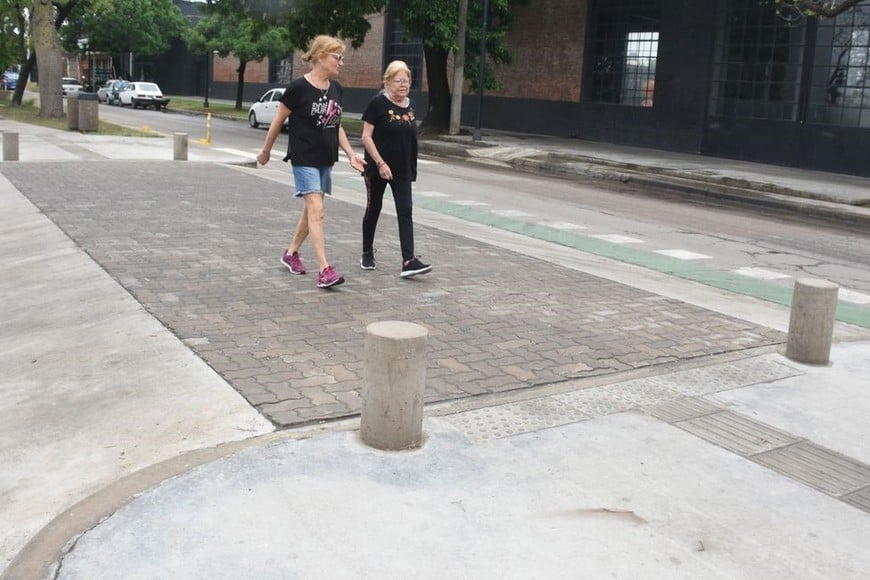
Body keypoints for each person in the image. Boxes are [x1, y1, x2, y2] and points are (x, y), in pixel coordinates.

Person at [256, 35, 366, 288]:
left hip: (326, 158)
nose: (341, 62)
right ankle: (324, 270)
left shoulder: (337, 89)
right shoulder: (297, 89)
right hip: (304, 157)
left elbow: (335, 125)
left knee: (311, 212)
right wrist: (266, 151)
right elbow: (277, 121)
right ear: (320, 57)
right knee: (317, 210)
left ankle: (291, 253)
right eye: (337, 57)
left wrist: (351, 154)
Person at [359, 60, 432, 278]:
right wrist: (380, 163)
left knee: (406, 210)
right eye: (399, 80)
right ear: (388, 81)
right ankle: (367, 252)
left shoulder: (410, 104)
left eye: (407, 80)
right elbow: (366, 136)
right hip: (377, 167)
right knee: (374, 208)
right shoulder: (377, 103)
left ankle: (408, 260)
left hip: (402, 169)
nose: (404, 85)